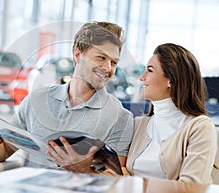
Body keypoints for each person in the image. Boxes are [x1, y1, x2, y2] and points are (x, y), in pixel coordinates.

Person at [47, 43, 217, 184]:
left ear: (171, 80)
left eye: (149, 70)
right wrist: (85, 169)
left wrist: (132, 182)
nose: (141, 77)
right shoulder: (138, 124)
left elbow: (190, 188)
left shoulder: (199, 127)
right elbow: (118, 174)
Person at [0, 21, 134, 169]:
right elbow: (1, 153)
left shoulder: (120, 117)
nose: (107, 67)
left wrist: (84, 171)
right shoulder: (36, 100)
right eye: (101, 57)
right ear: (78, 55)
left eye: (113, 62)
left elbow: (116, 178)